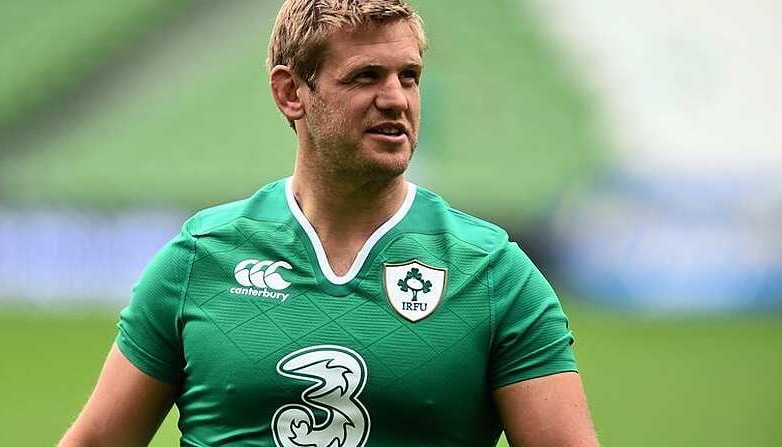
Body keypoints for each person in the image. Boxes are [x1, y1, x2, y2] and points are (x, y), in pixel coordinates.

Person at [59, 1, 598, 446]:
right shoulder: (200, 259)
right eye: (366, 76)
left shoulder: (492, 274)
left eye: (409, 76)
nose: (396, 99)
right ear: (290, 92)